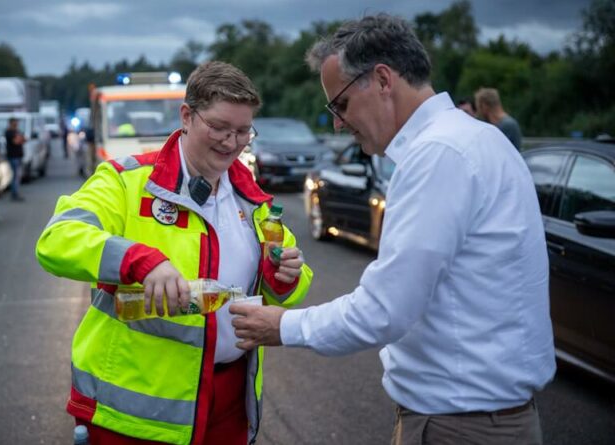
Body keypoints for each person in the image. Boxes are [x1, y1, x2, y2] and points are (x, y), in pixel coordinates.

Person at [230, 14, 554, 445]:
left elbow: (385, 309)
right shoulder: (479, 139)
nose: (337, 124)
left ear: (382, 79)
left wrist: (283, 326)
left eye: (340, 104)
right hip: (484, 417)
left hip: (459, 424)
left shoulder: (437, 155)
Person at [35, 61, 312, 445]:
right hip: (131, 418)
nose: (231, 143)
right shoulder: (127, 181)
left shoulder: (255, 202)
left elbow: (291, 284)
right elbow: (57, 239)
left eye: (243, 131)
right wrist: (139, 260)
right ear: (186, 116)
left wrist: (285, 276)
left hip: (229, 405)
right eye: (218, 127)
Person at [4, 118, 25, 201]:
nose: (16, 123)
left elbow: (23, 139)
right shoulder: (9, 132)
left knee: (17, 175)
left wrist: (20, 138)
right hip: (13, 156)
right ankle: (14, 194)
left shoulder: (16, 131)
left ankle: (15, 193)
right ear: (11, 123)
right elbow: (16, 141)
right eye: (15, 122)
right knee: (15, 176)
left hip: (18, 156)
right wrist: (20, 139)